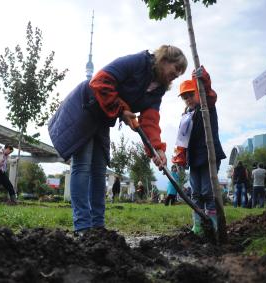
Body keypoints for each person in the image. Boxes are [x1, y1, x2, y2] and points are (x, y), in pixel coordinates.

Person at [48, 45, 187, 233]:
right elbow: (100, 81)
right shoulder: (138, 62)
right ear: (164, 60)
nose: (176, 75)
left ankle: (97, 226)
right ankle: (82, 226)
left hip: (104, 116)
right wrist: (122, 110)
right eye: (175, 69)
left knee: (98, 169)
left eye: (180, 73)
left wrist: (157, 150)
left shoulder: (158, 89)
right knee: (83, 165)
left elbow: (151, 120)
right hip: (86, 107)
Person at [172, 66, 226, 234]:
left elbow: (209, 93)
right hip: (194, 158)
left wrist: (203, 79)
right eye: (184, 97)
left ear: (197, 92)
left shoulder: (206, 107)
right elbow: (182, 140)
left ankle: (213, 227)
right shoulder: (186, 116)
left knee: (208, 193)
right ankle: (199, 227)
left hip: (209, 155)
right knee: (196, 194)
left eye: (190, 94)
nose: (188, 98)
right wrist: (180, 158)